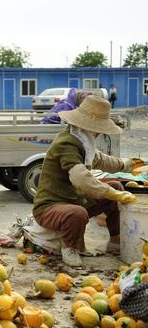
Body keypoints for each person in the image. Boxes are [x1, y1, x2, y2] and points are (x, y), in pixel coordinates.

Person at [32, 95, 144, 266]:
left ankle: (115, 240)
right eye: (98, 128)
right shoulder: (66, 143)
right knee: (78, 213)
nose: (99, 133)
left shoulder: (82, 140)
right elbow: (81, 179)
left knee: (115, 184)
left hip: (73, 199)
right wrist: (113, 194)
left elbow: (102, 160)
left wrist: (126, 164)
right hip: (49, 206)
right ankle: (69, 248)